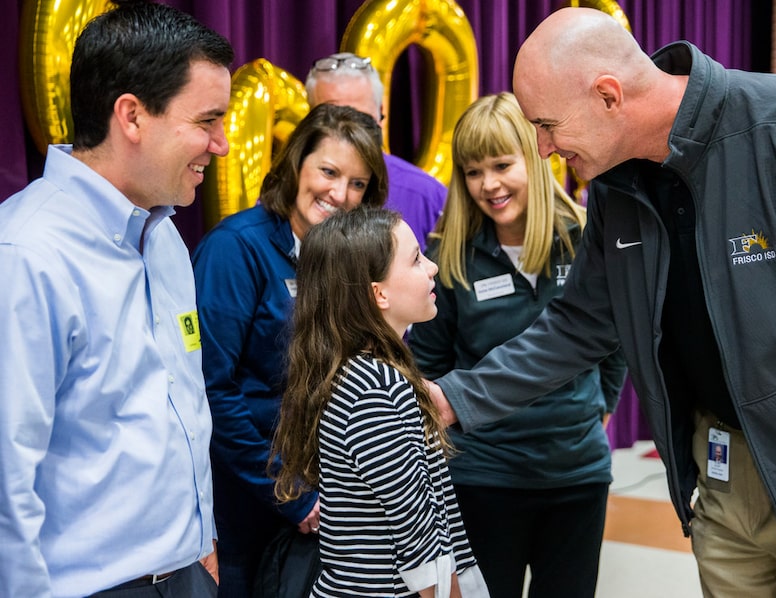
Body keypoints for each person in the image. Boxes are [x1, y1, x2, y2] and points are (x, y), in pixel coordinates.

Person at [426, 6, 776, 598]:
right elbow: (580, 324)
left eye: (547, 125)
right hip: (720, 478)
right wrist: (452, 397)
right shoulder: (616, 187)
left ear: (608, 96)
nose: (541, 149)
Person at [0, 1, 232, 596]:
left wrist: (199, 541)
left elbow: (181, 403)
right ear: (131, 115)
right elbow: (7, 477)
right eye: (207, 121)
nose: (223, 145)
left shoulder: (166, 239)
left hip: (186, 573)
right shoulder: (26, 253)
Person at [409, 92, 626, 598]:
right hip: (485, 480)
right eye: (472, 171)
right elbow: (431, 366)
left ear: (535, 157)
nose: (489, 185)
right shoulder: (448, 255)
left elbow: (614, 343)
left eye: (502, 165)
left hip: (576, 474)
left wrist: (600, 411)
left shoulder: (586, 237)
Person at [191, 102, 388, 597]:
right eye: (329, 171)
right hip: (248, 500)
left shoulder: (341, 261)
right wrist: (290, 493)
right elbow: (213, 389)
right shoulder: (236, 248)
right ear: (297, 162)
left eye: (358, 183)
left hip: (319, 503)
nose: (340, 194)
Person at [270, 207, 489, 597]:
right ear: (379, 293)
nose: (433, 268)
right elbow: (417, 527)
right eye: (416, 259)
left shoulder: (367, 373)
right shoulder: (374, 385)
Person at [305, 51, 447, 249]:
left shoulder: (427, 197)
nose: (346, 131)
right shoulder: (287, 194)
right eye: (332, 117)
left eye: (360, 119)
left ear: (381, 118)